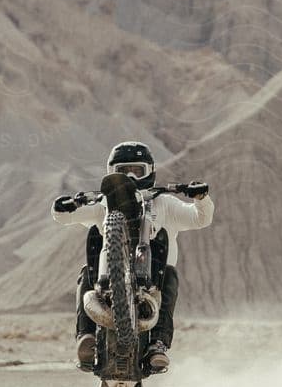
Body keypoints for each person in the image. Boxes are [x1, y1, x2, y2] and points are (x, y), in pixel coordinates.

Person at [53, 141, 213, 374]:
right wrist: (63, 206)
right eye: (123, 171)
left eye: (137, 171)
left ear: (150, 171)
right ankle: (85, 338)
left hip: (155, 280)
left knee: (170, 275)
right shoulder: (103, 204)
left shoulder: (165, 203)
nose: (130, 176)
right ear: (112, 173)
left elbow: (200, 218)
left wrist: (201, 198)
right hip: (106, 275)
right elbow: (65, 217)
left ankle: (158, 344)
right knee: (85, 273)